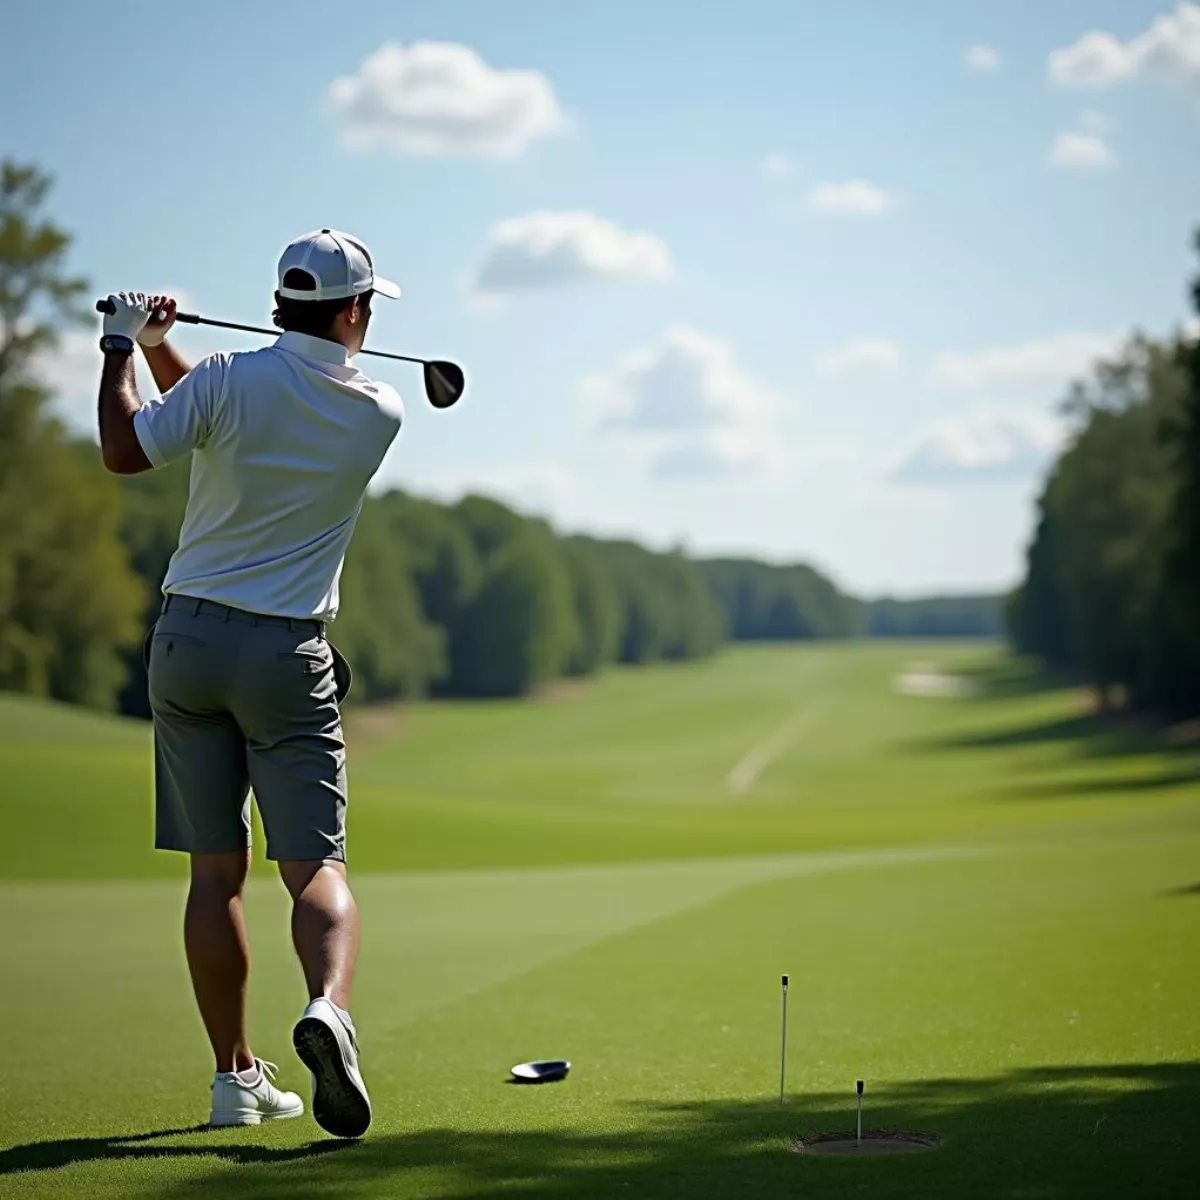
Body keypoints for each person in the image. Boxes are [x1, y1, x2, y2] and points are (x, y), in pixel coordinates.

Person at [95, 229, 407, 1138]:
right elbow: (221, 413)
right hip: (286, 656)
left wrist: (123, 344)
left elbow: (134, 445)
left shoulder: (228, 378)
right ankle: (328, 1011)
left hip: (187, 641)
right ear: (353, 312)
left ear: (280, 303)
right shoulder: (378, 409)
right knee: (313, 865)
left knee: (214, 874)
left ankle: (234, 1079)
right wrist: (155, 349)